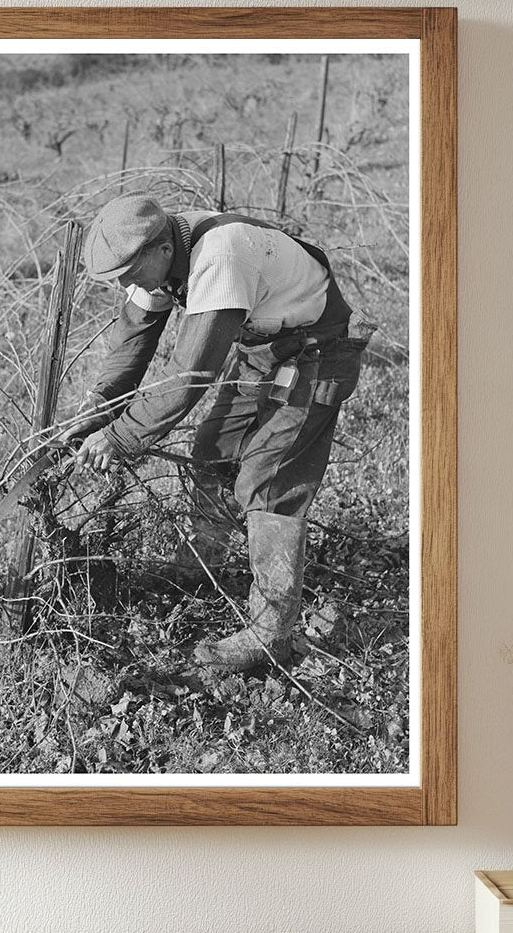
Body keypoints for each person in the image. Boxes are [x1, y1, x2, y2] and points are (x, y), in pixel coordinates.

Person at [68, 194, 367, 673]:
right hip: (266, 349)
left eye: (127, 276)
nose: (124, 286)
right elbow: (133, 343)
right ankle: (204, 565)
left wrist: (120, 438)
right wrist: (98, 408)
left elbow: (187, 378)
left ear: (162, 250)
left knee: (267, 480)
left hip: (317, 351)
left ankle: (270, 633)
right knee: (212, 452)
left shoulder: (218, 258)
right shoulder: (161, 255)